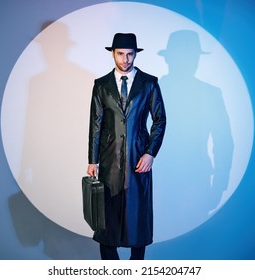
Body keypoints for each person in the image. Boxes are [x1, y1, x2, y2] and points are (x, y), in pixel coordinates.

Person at [87, 33, 166, 260]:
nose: (125, 59)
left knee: (137, 220)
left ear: (135, 54)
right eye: (120, 54)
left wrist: (150, 153)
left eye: (130, 54)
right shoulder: (101, 85)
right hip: (109, 159)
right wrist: (92, 160)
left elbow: (160, 119)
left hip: (138, 158)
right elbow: (95, 124)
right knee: (106, 222)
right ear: (113, 53)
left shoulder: (149, 83)